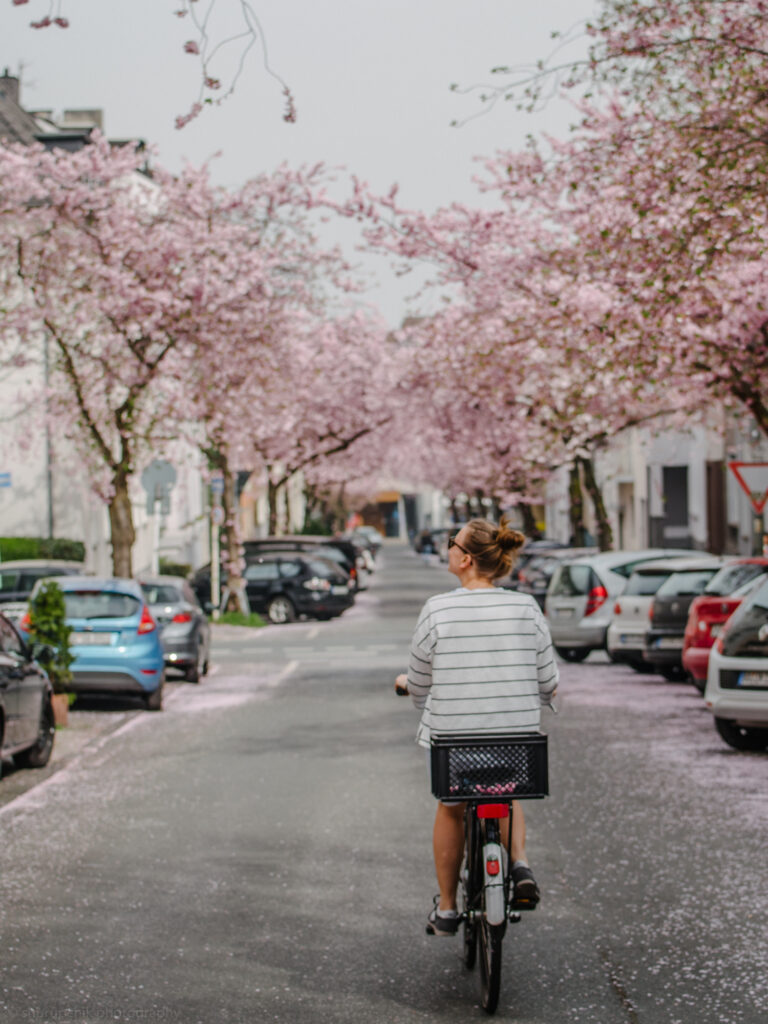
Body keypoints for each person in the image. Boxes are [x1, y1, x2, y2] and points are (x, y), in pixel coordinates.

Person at [395, 517, 558, 936]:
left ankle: (447, 908)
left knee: (451, 809)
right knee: (509, 790)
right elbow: (549, 681)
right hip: (516, 738)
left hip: (456, 742)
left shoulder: (438, 609)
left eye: (452, 542)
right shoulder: (526, 608)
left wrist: (411, 691)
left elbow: (419, 682)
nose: (447, 546)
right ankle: (519, 865)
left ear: (465, 559)